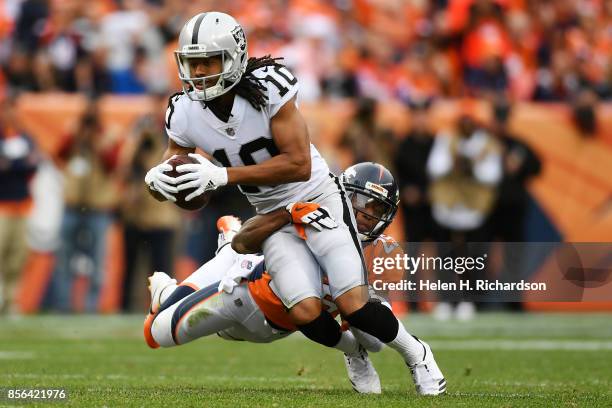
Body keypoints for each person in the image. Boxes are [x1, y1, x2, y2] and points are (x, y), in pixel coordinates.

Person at [144, 12, 445, 395]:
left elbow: (299, 164)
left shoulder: (269, 87)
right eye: (193, 62)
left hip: (318, 198)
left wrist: (224, 176)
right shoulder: (183, 112)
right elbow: (193, 195)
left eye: (209, 61)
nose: (200, 72)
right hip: (272, 216)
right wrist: (163, 185)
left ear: (234, 58)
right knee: (304, 311)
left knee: (354, 303)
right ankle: (354, 352)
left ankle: (417, 354)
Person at [145, 163, 444, 395]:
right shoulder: (317, 216)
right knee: (156, 332)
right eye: (361, 201)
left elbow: (367, 312)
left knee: (374, 338)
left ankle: (381, 355)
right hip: (242, 297)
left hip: (286, 323)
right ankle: (217, 249)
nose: (366, 214)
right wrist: (289, 214)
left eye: (377, 209)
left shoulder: (380, 251)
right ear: (343, 196)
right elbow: (251, 239)